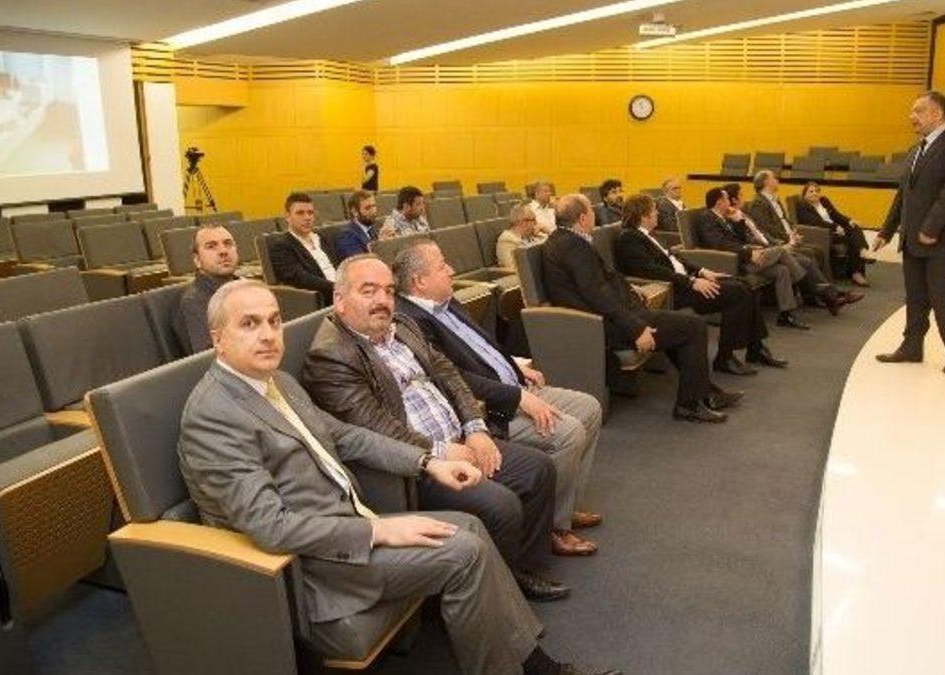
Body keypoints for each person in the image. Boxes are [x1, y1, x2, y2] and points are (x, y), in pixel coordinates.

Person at [178, 279, 617, 675]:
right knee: (464, 552)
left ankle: (534, 664)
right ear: (217, 339)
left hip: (346, 520)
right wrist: (378, 530)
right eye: (249, 324)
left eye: (274, 321)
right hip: (313, 564)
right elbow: (271, 527)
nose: (268, 334)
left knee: (470, 527)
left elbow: (345, 436)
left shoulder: (277, 383)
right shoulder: (214, 415)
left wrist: (427, 462)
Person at [302, 255, 569, 602]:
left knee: (539, 469)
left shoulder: (402, 325)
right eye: (368, 291)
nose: (382, 300)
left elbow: (449, 374)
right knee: (501, 506)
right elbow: (374, 427)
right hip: (414, 468)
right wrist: (440, 452)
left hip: (460, 440)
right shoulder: (331, 356)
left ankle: (521, 569)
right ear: (339, 300)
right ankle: (498, 593)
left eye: (388, 291)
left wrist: (475, 428)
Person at [393, 240, 605, 556]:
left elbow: (485, 347)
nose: (451, 270)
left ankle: (564, 504)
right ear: (419, 281)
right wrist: (516, 396)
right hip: (491, 406)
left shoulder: (447, 302)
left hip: (511, 385)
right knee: (568, 432)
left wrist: (516, 369)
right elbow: (455, 378)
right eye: (442, 266)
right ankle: (553, 526)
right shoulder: (411, 322)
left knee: (590, 407)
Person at [542, 194, 743, 423]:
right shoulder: (572, 246)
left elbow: (603, 278)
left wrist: (630, 288)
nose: (594, 216)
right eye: (591, 211)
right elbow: (596, 294)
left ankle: (705, 394)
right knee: (693, 327)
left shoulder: (566, 239)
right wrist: (636, 328)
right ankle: (689, 405)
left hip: (610, 315)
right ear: (582, 218)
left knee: (680, 326)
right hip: (600, 325)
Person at [614, 194, 786, 375]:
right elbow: (651, 272)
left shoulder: (650, 234)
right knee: (736, 292)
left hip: (685, 281)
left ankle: (756, 348)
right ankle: (725, 358)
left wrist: (702, 271)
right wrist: (692, 281)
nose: (657, 213)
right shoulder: (629, 238)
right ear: (643, 215)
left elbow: (675, 259)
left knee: (744, 284)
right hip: (673, 290)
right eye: (654, 210)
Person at [874, 90, 945, 374]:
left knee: (942, 295)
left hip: (943, 239)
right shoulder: (914, 150)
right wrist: (886, 231)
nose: (912, 116)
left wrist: (931, 227)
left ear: (938, 113)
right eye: (912, 111)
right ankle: (911, 347)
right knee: (916, 297)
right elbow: (903, 195)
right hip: (912, 238)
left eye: (919, 111)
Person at [693, 188, 843, 330]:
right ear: (719, 202)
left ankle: (786, 315)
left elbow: (740, 239)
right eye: (726, 199)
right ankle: (816, 288)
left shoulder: (726, 217)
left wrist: (739, 222)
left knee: (782, 270)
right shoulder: (707, 218)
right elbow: (719, 244)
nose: (729, 202)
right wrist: (748, 253)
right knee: (781, 251)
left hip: (747, 255)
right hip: (733, 261)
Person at [726, 183, 863, 313]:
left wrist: (778, 242)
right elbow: (744, 240)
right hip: (759, 253)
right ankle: (831, 295)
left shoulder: (744, 213)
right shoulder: (731, 218)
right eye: (741, 195)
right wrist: (779, 244)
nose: (744, 197)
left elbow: (763, 233)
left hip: (770, 247)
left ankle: (829, 297)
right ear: (734, 200)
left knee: (806, 261)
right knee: (792, 256)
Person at [746, 170, 832, 280]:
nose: (777, 180)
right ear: (766, 182)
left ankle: (827, 284)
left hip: (789, 238)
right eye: (774, 178)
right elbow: (769, 229)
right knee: (810, 253)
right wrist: (789, 238)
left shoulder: (775, 199)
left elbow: (785, 220)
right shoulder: (758, 203)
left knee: (819, 250)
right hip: (780, 242)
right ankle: (823, 287)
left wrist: (794, 232)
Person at [173, 223, 240, 354]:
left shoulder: (247, 287)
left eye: (228, 244)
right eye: (211, 246)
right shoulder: (194, 302)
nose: (223, 251)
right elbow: (213, 356)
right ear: (197, 260)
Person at [795, 182, 871, 287]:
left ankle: (862, 250)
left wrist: (849, 221)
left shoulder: (824, 201)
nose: (814, 193)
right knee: (851, 238)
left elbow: (836, 215)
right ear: (805, 194)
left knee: (855, 228)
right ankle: (856, 271)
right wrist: (835, 227)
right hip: (823, 233)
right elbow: (815, 222)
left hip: (835, 229)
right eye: (811, 191)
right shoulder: (802, 206)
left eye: (817, 191)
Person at [267, 191, 336, 304]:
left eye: (310, 213)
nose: (307, 217)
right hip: (322, 298)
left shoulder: (322, 238)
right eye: (300, 213)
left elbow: (339, 265)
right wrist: (337, 287)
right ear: (287, 216)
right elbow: (299, 278)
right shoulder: (281, 246)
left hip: (342, 290)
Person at [496, 203, 547, 269]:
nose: (536, 223)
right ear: (522, 222)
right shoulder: (507, 240)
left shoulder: (532, 235)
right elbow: (513, 268)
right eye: (533, 220)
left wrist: (547, 231)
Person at [334, 190, 378, 261]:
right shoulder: (346, 235)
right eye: (368, 208)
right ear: (355, 212)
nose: (373, 211)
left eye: (374, 206)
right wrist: (380, 244)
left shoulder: (371, 229)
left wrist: (385, 243)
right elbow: (361, 262)